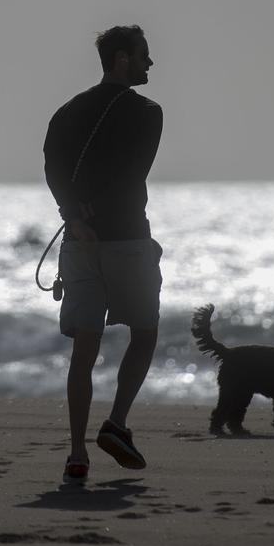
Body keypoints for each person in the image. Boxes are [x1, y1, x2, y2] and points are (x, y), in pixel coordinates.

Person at [42, 25, 163, 483]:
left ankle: (76, 453)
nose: (150, 64)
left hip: (78, 241)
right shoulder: (148, 112)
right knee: (146, 332)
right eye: (144, 55)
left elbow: (53, 166)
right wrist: (96, 210)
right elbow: (133, 171)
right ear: (121, 60)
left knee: (84, 351)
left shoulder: (67, 111)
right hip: (127, 238)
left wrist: (72, 213)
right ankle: (115, 424)